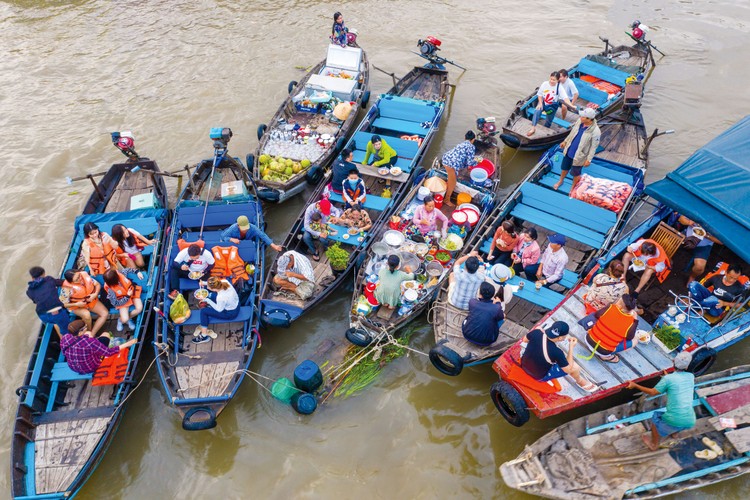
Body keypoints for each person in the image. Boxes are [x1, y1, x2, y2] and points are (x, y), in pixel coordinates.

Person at [627, 352, 696, 451]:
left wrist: (635, 385)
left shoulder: (668, 379)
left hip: (676, 419)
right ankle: (674, 434)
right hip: (690, 419)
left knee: (656, 419)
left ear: (673, 361)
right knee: (678, 422)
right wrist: (667, 377)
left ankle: (654, 445)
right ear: (687, 366)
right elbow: (678, 382)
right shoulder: (690, 376)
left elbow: (652, 392)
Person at [520, 321, 596, 391]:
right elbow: (568, 369)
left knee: (538, 332)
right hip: (538, 375)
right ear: (560, 338)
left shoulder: (536, 332)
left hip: (523, 364)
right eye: (564, 336)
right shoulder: (557, 352)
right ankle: (580, 382)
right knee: (575, 367)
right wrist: (571, 347)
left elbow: (525, 340)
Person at [552, 108, 601, 194]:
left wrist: (589, 159)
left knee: (576, 173)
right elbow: (572, 133)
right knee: (564, 168)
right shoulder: (579, 122)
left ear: (589, 119)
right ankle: (561, 180)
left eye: (583, 117)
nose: (580, 117)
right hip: (569, 150)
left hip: (580, 156)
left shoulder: (596, 131)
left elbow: (594, 147)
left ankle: (573, 187)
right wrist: (565, 141)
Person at [60, 320, 136, 375]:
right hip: (91, 367)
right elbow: (109, 353)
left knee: (89, 334)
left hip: (74, 368)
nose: (87, 327)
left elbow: (64, 353)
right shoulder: (90, 342)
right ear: (80, 332)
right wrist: (128, 343)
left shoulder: (65, 338)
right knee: (106, 334)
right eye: (85, 327)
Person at [584, 294, 639, 363]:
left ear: (619, 306)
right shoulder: (632, 321)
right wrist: (635, 320)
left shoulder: (610, 307)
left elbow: (596, 315)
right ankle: (605, 357)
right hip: (603, 351)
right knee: (635, 340)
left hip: (588, 339)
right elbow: (629, 337)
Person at [60, 269, 109, 335]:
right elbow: (62, 304)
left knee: (104, 313)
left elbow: (97, 285)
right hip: (76, 306)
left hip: (90, 301)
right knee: (86, 315)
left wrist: (95, 294)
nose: (80, 279)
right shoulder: (66, 289)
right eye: (77, 279)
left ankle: (91, 334)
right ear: (71, 282)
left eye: (79, 275)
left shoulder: (84, 275)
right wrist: (77, 304)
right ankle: (88, 331)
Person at [526, 71, 575, 137]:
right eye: (551, 79)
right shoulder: (545, 84)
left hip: (552, 106)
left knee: (549, 120)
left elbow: (565, 98)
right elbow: (540, 94)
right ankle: (533, 128)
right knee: (537, 112)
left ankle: (546, 131)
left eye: (554, 80)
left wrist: (571, 105)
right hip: (543, 102)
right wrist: (540, 103)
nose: (551, 81)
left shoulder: (559, 87)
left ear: (557, 80)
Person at [192, 277, 240, 344]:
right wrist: (204, 283)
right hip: (236, 304)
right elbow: (216, 288)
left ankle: (204, 336)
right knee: (210, 295)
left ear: (213, 288)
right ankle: (208, 302)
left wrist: (207, 300)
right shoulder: (224, 281)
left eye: (208, 287)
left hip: (230, 313)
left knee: (203, 311)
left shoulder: (220, 298)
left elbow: (219, 309)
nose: (207, 287)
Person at [677, 215, 722, 282]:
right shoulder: (700, 211)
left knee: (699, 267)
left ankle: (692, 277)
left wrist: (706, 235)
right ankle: (667, 262)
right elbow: (681, 219)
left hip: (704, 245)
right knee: (666, 242)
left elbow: (721, 242)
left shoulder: (721, 222)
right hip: (686, 235)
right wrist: (689, 222)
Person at [26, 266, 70, 335]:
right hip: (57, 313)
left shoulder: (29, 291)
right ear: (43, 274)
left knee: (56, 322)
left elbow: (36, 301)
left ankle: (61, 337)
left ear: (32, 278)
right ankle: (67, 340)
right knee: (66, 329)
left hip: (43, 316)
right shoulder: (49, 279)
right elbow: (62, 282)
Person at [441, 131, 477, 206]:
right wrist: (477, 162)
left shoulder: (461, 144)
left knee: (451, 178)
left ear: (465, 137)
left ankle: (446, 190)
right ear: (473, 140)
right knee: (453, 183)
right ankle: (446, 200)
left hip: (445, 158)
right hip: (451, 164)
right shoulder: (471, 147)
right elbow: (470, 162)